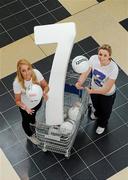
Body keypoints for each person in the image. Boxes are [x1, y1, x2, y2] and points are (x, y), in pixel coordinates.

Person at [75, 44, 119, 134]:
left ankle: (102, 124)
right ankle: (97, 114)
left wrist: (92, 91)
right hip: (94, 88)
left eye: (105, 55)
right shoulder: (93, 59)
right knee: (96, 104)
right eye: (100, 54)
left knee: (105, 110)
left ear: (110, 56)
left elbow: (106, 89)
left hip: (107, 94)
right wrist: (79, 83)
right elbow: (85, 73)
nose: (101, 57)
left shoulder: (113, 68)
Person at [13, 59, 49, 144]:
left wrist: (44, 93)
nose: (27, 72)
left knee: (34, 114)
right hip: (26, 107)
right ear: (20, 72)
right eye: (23, 71)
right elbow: (17, 101)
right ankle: (29, 135)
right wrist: (25, 108)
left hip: (37, 102)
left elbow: (46, 86)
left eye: (28, 69)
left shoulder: (36, 73)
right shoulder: (17, 83)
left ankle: (33, 123)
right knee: (25, 121)